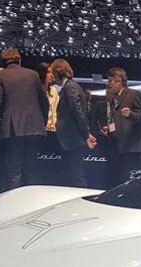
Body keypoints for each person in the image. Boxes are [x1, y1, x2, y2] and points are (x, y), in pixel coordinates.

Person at [0, 48, 50, 190]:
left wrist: (3, 118)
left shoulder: (0, 75)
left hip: (12, 129)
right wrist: (41, 122)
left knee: (14, 171)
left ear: (3, 62)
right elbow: (44, 101)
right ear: (20, 60)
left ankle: (15, 201)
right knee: (31, 170)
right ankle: (30, 200)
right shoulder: (33, 75)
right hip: (34, 127)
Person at [97, 67, 141, 185]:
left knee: (128, 180)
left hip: (130, 147)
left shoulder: (133, 94)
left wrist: (130, 114)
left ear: (120, 81)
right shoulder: (114, 98)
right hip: (117, 145)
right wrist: (109, 129)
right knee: (115, 179)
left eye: (112, 81)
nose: (109, 84)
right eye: (109, 80)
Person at [51, 58, 95, 188]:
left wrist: (86, 134)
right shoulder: (71, 86)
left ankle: (82, 197)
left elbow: (78, 112)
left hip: (72, 139)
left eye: (53, 73)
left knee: (76, 176)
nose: (53, 77)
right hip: (73, 138)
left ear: (58, 72)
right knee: (74, 174)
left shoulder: (70, 87)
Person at [35, 61, 58, 132]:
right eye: (48, 72)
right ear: (42, 73)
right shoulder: (35, 91)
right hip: (39, 128)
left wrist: (54, 124)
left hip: (52, 129)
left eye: (52, 72)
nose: (51, 75)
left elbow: (55, 111)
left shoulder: (53, 91)